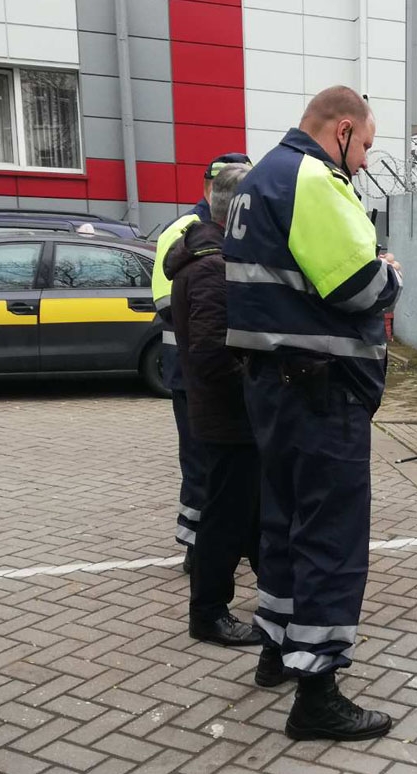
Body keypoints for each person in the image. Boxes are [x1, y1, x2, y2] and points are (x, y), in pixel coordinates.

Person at [224, 86, 402, 741]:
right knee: (331, 541)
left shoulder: (256, 180)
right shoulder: (312, 178)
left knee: (286, 523)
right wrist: (390, 270)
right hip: (322, 394)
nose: (361, 165)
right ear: (344, 129)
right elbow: (355, 285)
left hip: (273, 387)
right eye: (365, 151)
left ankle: (275, 649)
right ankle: (318, 694)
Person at [163, 162, 261, 647]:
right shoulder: (212, 268)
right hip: (228, 419)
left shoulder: (211, 258)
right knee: (224, 517)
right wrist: (262, 379)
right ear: (240, 211)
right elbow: (210, 355)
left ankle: (277, 592)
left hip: (232, 417)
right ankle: (208, 610)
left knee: (249, 509)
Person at [153, 153, 253, 572]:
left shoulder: (213, 237)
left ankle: (216, 544)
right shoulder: (189, 236)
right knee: (202, 464)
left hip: (199, 364)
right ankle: (199, 548)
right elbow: (165, 303)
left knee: (216, 466)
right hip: (194, 367)